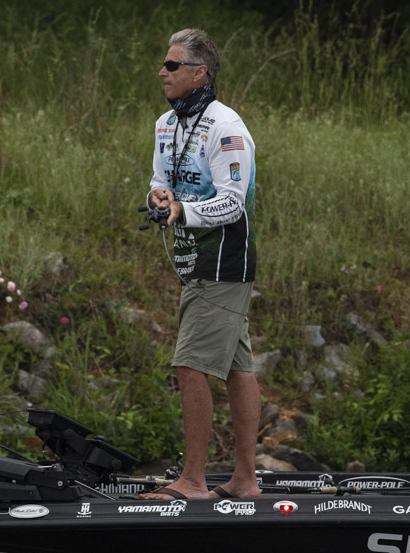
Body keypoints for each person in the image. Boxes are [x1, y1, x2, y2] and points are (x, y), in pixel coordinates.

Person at [141, 29, 261, 501]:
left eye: (172, 65)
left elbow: (232, 203)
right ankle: (245, 481)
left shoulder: (226, 128)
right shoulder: (165, 124)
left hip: (225, 259)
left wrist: (181, 210)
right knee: (237, 367)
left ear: (199, 73)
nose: (162, 72)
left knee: (189, 364)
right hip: (192, 259)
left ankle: (193, 481)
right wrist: (158, 197)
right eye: (163, 64)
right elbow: (159, 179)